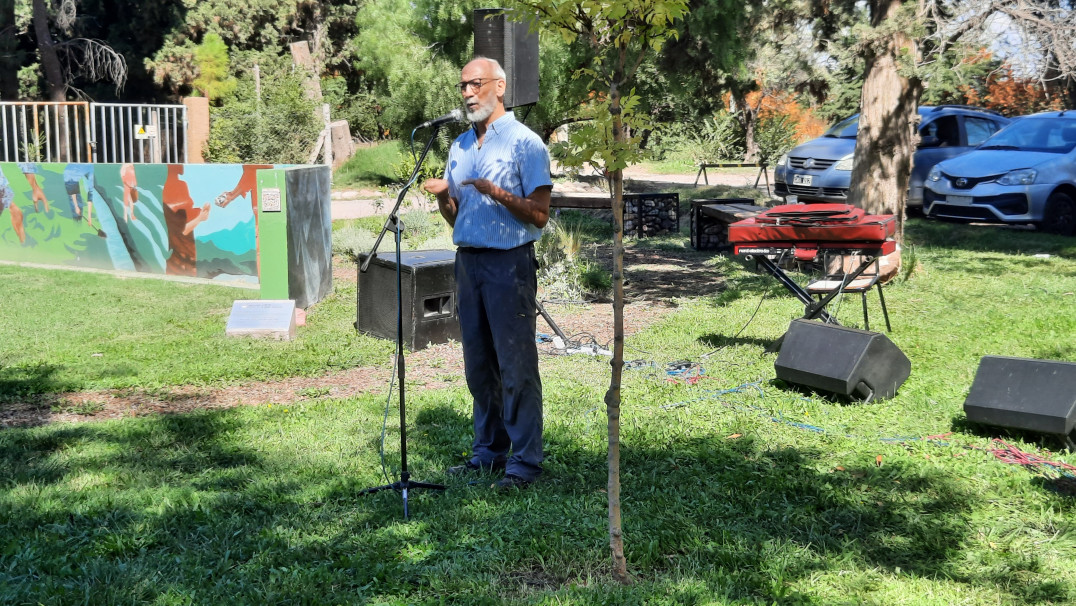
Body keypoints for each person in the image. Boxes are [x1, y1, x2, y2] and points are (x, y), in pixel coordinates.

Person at [423, 57, 553, 490]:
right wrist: (444, 199)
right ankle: (489, 453)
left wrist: (497, 192)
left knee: (516, 366)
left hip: (508, 264)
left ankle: (525, 463)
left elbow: (539, 216)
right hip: (469, 263)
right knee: (478, 366)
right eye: (462, 86)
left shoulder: (525, 143)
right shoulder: (459, 146)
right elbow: (457, 218)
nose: (466, 93)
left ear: (500, 86)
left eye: (475, 84)